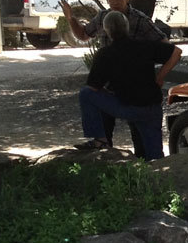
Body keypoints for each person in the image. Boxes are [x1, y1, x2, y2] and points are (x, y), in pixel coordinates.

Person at [76, 11, 181, 161]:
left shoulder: (105, 54)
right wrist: (160, 76)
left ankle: (100, 139)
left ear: (107, 31)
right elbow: (176, 52)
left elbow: (93, 88)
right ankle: (160, 176)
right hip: (151, 106)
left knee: (85, 94)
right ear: (127, 27)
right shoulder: (145, 46)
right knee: (155, 157)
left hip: (126, 106)